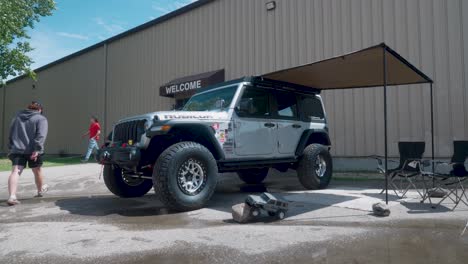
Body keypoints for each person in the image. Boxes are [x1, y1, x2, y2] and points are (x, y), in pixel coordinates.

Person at [7, 101, 49, 206]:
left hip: (17, 149)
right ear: (39, 110)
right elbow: (41, 135)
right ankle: (40, 192)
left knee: (16, 171)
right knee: (37, 171)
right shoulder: (40, 118)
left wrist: (11, 146)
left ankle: (12, 196)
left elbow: (11, 133)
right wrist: (37, 150)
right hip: (33, 150)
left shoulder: (17, 117)